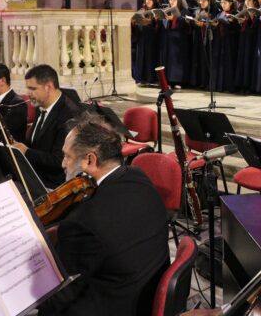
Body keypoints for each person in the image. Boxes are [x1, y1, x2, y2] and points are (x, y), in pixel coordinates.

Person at [39, 114, 169, 316]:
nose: (63, 164)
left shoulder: (83, 223)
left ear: (90, 159)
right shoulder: (137, 176)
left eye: (67, 156)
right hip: (146, 293)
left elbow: (61, 295)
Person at [11, 64, 81, 188]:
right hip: (35, 174)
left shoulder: (69, 115)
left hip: (53, 184)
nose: (28, 93)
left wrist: (26, 152)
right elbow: (38, 143)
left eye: (33, 88)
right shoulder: (42, 103)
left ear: (48, 87)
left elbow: (60, 161)